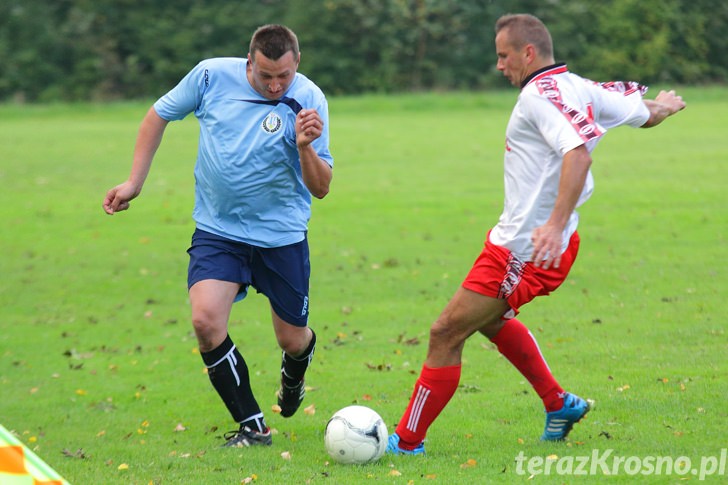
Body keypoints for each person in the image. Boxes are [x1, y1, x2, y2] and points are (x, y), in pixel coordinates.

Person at [387, 13, 685, 455]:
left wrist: (555, 223)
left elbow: (578, 155)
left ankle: (406, 443)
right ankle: (558, 403)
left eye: (503, 55)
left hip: (524, 250)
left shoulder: (539, 97)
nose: (499, 65)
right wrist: (663, 106)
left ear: (528, 52)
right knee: (488, 321)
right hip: (518, 242)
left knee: (445, 332)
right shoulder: (578, 86)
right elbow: (644, 115)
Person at [103, 24, 333, 448]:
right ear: (250, 62)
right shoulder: (209, 77)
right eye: (266, 75)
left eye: (284, 75)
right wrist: (135, 181)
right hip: (218, 230)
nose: (275, 84)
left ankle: (296, 368)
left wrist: (304, 145)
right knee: (205, 321)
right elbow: (158, 115)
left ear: (296, 64)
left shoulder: (310, 100)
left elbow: (321, 188)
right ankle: (253, 426)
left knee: (292, 338)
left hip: (280, 237)